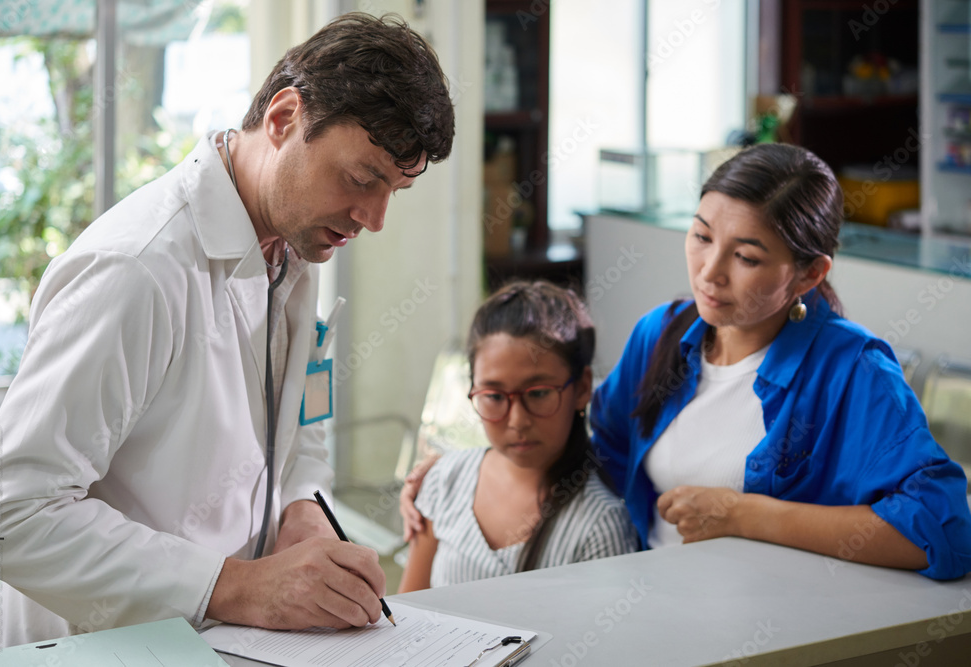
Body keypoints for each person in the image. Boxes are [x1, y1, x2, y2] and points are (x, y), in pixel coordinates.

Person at [0, 12, 454, 647]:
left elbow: (301, 431)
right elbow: (3, 512)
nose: (375, 217)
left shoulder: (292, 254)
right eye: (362, 179)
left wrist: (302, 511)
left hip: (231, 640)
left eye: (395, 189)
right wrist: (234, 586)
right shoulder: (136, 269)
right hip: (110, 645)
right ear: (284, 119)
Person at [403, 144, 971, 581]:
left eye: (746, 256)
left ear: (809, 273)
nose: (709, 271)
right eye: (701, 237)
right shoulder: (663, 335)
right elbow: (596, 450)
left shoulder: (851, 369)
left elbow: (944, 534)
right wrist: (460, 474)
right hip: (656, 611)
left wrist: (745, 515)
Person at [396, 281, 637, 593]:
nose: (518, 420)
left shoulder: (600, 523)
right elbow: (409, 611)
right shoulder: (445, 479)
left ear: (581, 388)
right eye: (494, 396)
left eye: (538, 394)